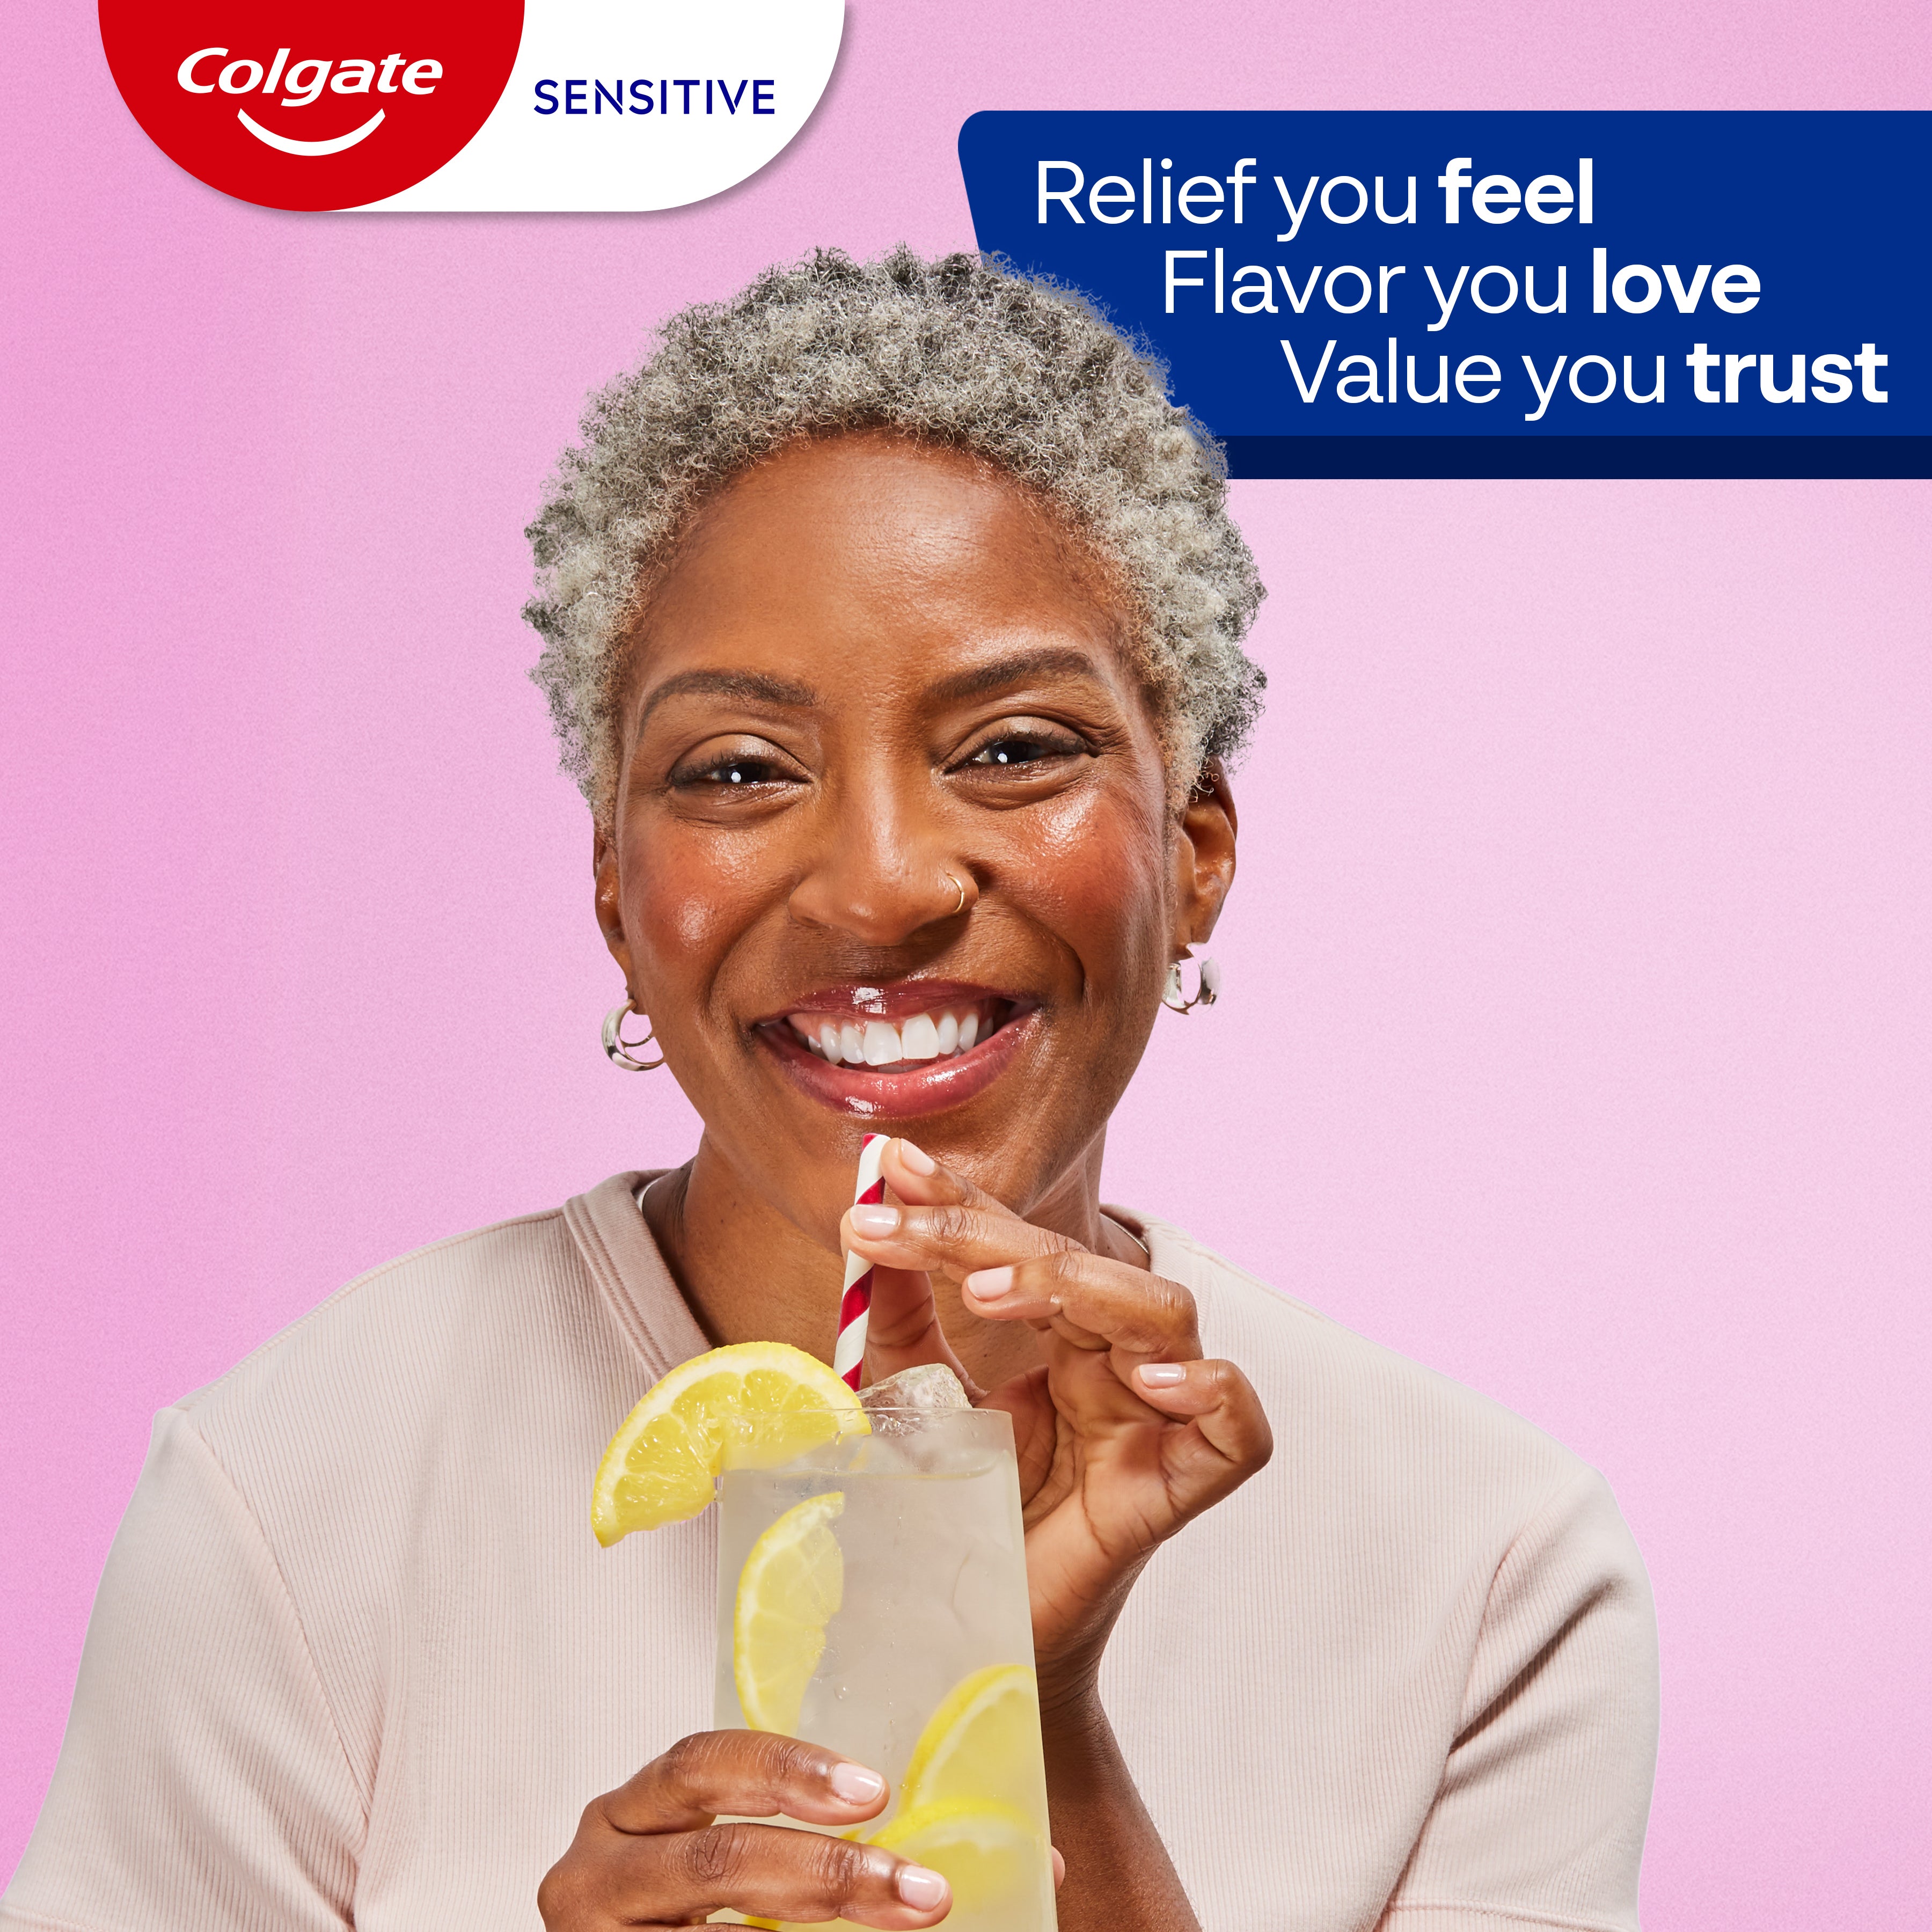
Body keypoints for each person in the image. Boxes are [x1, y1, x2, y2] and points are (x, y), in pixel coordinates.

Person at [2, 249, 1657, 1932]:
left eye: (1013, 747)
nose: (877, 888)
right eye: (736, 771)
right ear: (616, 900)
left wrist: (1044, 1707)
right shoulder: (296, 1490)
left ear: (1196, 850)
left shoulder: (1487, 1568)